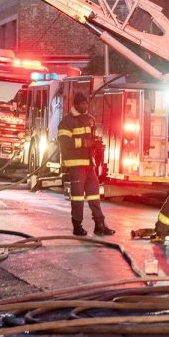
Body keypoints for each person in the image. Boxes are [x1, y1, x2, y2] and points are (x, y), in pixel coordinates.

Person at [58, 92, 114, 236]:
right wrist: (84, 143)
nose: (85, 106)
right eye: (82, 104)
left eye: (86, 104)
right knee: (77, 196)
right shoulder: (67, 121)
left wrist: (96, 145)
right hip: (76, 165)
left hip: (89, 164)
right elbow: (64, 142)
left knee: (94, 194)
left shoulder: (90, 120)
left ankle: (100, 224)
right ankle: (77, 226)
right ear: (75, 105)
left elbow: (92, 137)